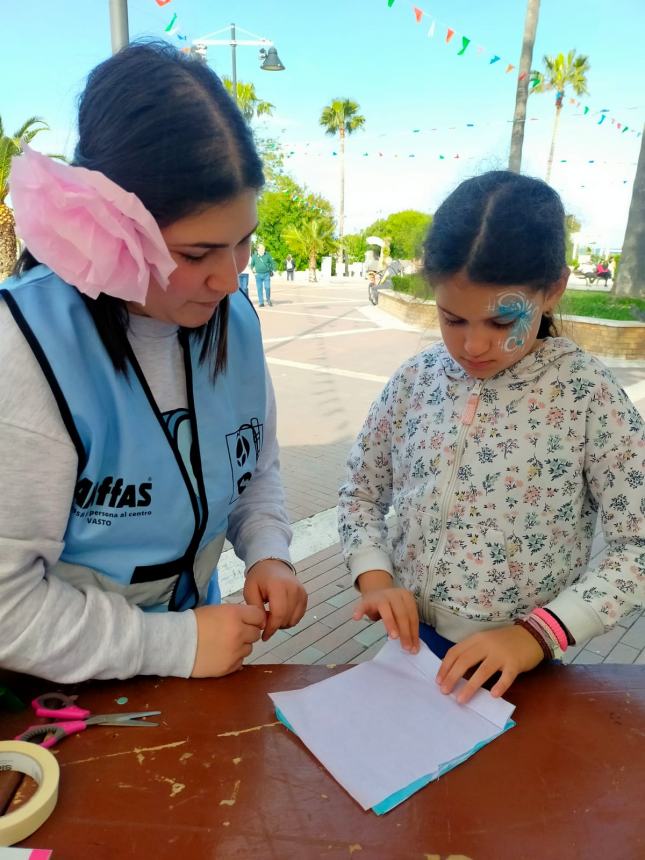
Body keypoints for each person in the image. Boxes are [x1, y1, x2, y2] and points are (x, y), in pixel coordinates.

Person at [0, 42, 307, 684]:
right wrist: (166, 646)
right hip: (58, 694)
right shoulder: (25, 350)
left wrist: (268, 552)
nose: (229, 278)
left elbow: (254, 465)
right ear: (109, 226)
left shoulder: (235, 321)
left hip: (195, 662)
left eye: (244, 241)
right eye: (196, 254)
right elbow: (8, 609)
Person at [338, 171, 644, 705]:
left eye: (503, 322)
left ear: (552, 291)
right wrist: (375, 578)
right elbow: (361, 493)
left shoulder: (586, 394)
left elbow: (637, 545)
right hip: (409, 654)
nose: (473, 345)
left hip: (523, 666)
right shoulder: (416, 381)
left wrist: (536, 636)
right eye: (452, 318)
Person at [251, 242, 275, 307]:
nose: (263, 249)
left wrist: (272, 269)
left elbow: (272, 262)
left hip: (266, 274)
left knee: (267, 287)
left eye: (264, 248)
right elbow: (252, 265)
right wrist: (253, 271)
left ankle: (268, 299)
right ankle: (261, 302)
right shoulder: (254, 256)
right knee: (259, 288)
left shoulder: (268, 255)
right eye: (261, 248)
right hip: (258, 275)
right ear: (258, 249)